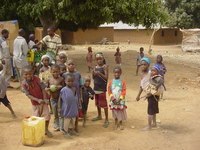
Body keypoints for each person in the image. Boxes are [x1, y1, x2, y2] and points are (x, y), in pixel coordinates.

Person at [21, 65, 52, 137]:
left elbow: (43, 89)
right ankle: (38, 131)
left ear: (33, 73)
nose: (28, 76)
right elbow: (28, 95)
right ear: (23, 75)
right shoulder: (24, 84)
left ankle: (46, 129)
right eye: (26, 74)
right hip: (35, 103)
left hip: (43, 102)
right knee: (36, 118)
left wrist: (45, 99)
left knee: (47, 116)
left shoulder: (37, 79)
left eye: (30, 74)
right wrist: (37, 100)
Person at [136, 57, 161, 130]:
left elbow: (157, 82)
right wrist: (138, 95)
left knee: (150, 110)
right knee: (153, 109)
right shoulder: (141, 74)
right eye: (142, 64)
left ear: (148, 65)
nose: (143, 66)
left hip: (152, 94)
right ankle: (154, 124)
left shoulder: (151, 73)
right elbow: (141, 85)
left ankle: (149, 126)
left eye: (145, 64)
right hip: (148, 94)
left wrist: (151, 92)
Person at [63, 59, 83, 132]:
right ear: (67, 66)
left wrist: (80, 97)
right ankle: (68, 127)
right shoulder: (65, 75)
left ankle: (76, 126)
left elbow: (81, 86)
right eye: (69, 64)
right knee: (68, 111)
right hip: (68, 97)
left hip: (76, 96)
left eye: (72, 64)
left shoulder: (78, 74)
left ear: (75, 65)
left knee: (76, 111)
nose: (71, 66)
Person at [92, 53, 109, 128]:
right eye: (97, 59)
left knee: (104, 104)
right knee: (97, 103)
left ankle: (107, 119)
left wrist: (99, 73)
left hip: (102, 88)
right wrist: (93, 73)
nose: (99, 61)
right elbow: (93, 77)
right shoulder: (95, 67)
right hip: (96, 88)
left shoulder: (104, 67)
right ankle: (99, 115)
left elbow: (106, 78)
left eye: (100, 59)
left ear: (103, 59)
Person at [46, 64, 64, 131]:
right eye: (54, 72)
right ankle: (56, 124)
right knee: (55, 113)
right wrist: (48, 89)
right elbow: (46, 88)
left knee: (60, 112)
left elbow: (64, 87)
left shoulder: (61, 79)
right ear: (51, 72)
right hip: (52, 99)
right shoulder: (49, 80)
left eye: (57, 72)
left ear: (59, 72)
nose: (55, 73)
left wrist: (58, 87)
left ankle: (61, 125)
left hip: (60, 98)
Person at [60, 74, 79, 139]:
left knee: (73, 120)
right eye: (68, 81)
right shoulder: (63, 90)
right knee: (67, 121)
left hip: (73, 108)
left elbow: (76, 98)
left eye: (72, 81)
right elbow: (60, 99)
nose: (70, 82)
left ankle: (71, 130)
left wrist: (78, 105)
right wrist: (59, 108)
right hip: (67, 108)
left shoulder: (74, 89)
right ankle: (66, 132)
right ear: (65, 81)